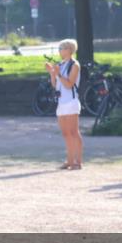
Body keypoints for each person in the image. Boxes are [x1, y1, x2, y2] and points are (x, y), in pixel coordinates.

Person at [46, 39, 82, 170]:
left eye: (62, 48)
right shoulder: (60, 64)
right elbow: (55, 85)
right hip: (61, 103)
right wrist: (52, 73)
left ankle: (77, 161)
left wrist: (59, 74)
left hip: (71, 102)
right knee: (66, 133)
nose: (59, 50)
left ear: (69, 50)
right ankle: (69, 160)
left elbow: (69, 84)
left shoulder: (75, 65)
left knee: (73, 132)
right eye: (59, 48)